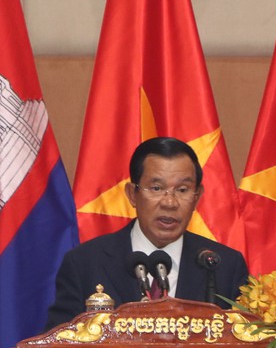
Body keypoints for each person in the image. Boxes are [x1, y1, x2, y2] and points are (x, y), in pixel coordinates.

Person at [44, 137, 249, 330]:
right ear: (132, 194)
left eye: (182, 190)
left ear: (197, 197)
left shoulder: (224, 267)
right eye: (156, 188)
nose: (170, 203)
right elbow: (58, 344)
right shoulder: (84, 263)